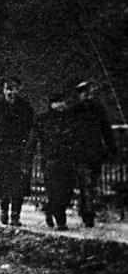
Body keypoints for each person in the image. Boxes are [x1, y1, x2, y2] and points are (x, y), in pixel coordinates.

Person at [0, 77, 34, 226]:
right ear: (3, 90)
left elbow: (31, 129)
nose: (10, 92)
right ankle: (4, 212)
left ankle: (16, 215)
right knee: (3, 184)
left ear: (18, 90)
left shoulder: (25, 107)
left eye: (13, 89)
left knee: (18, 185)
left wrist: (25, 147)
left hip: (20, 152)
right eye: (8, 89)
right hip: (3, 152)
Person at [70, 81, 116, 228]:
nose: (86, 95)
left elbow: (106, 130)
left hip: (95, 152)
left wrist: (111, 148)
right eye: (83, 92)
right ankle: (88, 214)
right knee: (85, 184)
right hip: (80, 153)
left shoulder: (98, 109)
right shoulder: (75, 111)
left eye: (88, 92)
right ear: (79, 95)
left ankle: (85, 211)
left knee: (92, 184)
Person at [33, 93, 76, 230]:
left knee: (67, 192)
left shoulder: (69, 118)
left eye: (62, 101)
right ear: (52, 104)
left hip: (68, 160)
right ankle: (61, 222)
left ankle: (49, 209)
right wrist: (28, 157)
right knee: (56, 191)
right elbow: (33, 139)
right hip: (50, 161)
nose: (61, 104)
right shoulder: (43, 119)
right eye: (58, 102)